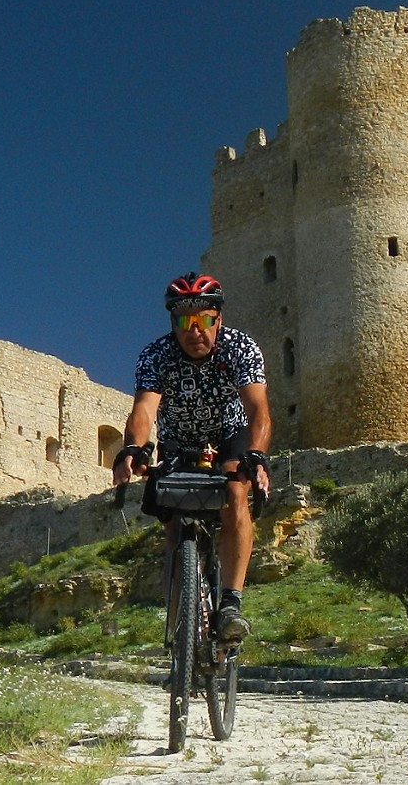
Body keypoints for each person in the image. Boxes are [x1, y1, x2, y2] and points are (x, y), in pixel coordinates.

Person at [113, 272, 272, 641]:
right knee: (173, 525)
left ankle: (231, 604)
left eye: (205, 320)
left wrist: (257, 454)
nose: (194, 330)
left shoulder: (240, 348)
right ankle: (180, 623)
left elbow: (259, 411)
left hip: (230, 436)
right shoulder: (157, 355)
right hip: (178, 441)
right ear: (173, 322)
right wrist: (133, 448)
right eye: (185, 321)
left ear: (219, 320)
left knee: (235, 497)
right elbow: (144, 410)